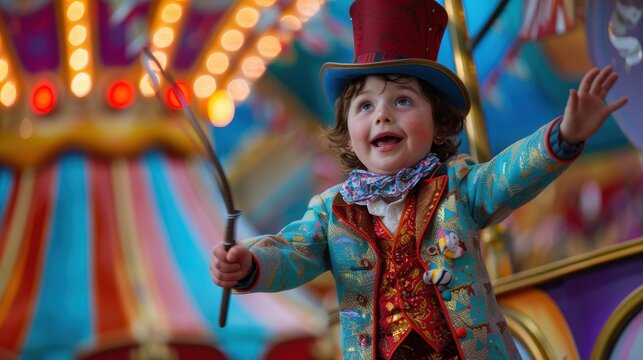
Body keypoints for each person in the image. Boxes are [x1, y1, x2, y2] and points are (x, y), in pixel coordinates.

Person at [210, 0, 628, 358]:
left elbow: (508, 174)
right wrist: (250, 262)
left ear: (438, 123)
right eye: (364, 105)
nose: (382, 114)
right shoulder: (331, 211)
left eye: (403, 100)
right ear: (349, 134)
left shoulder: (457, 186)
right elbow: (292, 251)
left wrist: (563, 136)